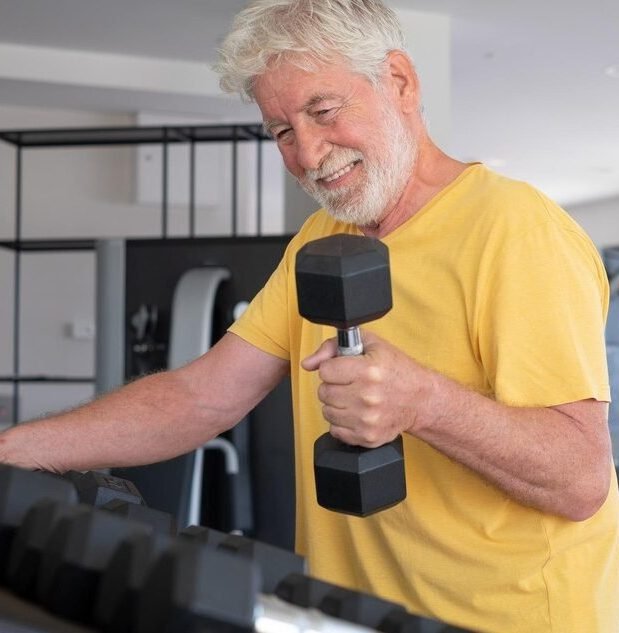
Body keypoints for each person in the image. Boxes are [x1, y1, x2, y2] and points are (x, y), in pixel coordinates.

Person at [1, 1, 618, 630]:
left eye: (323, 112)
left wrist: (425, 402)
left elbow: (579, 479)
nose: (307, 152)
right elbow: (202, 397)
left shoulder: (516, 230)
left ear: (399, 82)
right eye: (281, 130)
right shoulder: (322, 237)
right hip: (352, 614)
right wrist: (9, 451)